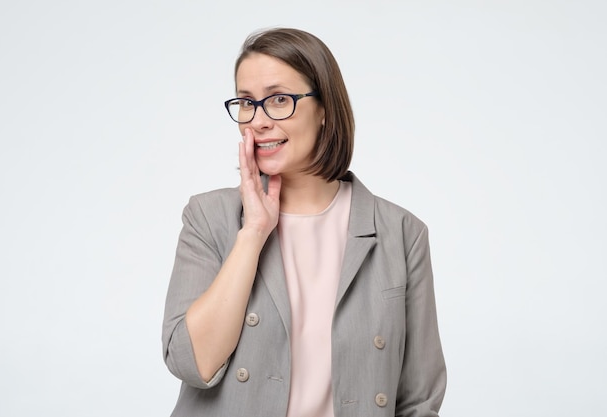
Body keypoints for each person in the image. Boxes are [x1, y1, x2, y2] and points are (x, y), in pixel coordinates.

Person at [162, 27, 446, 417]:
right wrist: (254, 232)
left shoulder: (401, 233)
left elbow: (419, 398)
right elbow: (191, 363)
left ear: (325, 108)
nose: (257, 120)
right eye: (247, 102)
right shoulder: (208, 218)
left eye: (279, 100)